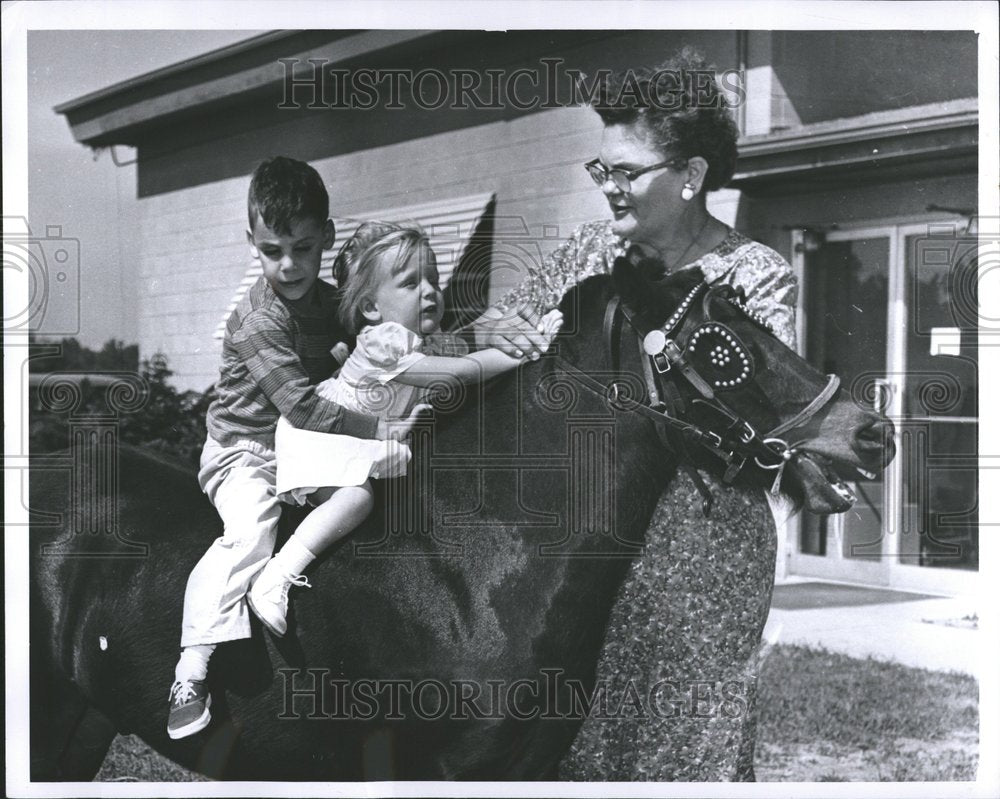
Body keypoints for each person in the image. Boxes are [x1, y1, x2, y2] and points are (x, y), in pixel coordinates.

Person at [481, 50, 798, 780]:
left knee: (690, 741)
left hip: (700, 543)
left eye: (627, 172)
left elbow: (747, 418)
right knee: (578, 737)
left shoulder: (755, 276)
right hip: (584, 538)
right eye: (603, 170)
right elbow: (505, 329)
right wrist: (494, 334)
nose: (609, 188)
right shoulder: (588, 254)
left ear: (689, 176)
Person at [167, 157, 418, 740]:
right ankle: (191, 667)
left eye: (302, 248)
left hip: (297, 446)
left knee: (358, 497)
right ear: (251, 242)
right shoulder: (258, 321)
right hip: (244, 450)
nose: (288, 265)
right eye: (271, 250)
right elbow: (303, 407)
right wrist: (377, 432)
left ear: (326, 237)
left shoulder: (332, 302)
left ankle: (280, 575)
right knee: (249, 527)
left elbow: (375, 350)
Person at [250, 221, 562, 638]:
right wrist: (526, 353)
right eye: (411, 282)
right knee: (355, 499)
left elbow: (465, 351)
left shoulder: (420, 341)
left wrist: (517, 335)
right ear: (371, 308)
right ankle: (276, 578)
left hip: (351, 436)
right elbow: (458, 374)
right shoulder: (383, 341)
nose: (430, 291)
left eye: (433, 278)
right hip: (318, 432)